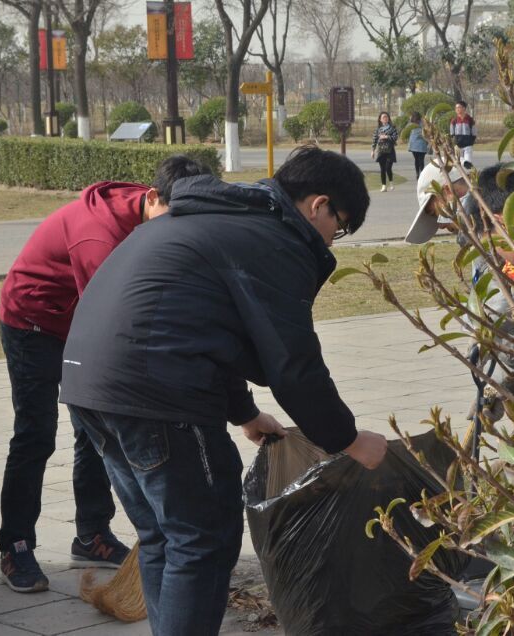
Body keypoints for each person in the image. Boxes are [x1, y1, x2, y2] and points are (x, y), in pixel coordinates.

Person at [59, 145, 389, 636]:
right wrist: (349, 440)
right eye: (338, 228)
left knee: (163, 537)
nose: (331, 241)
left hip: (88, 384)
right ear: (319, 205)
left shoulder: (219, 217)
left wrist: (245, 413)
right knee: (202, 539)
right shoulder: (274, 239)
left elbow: (209, 326)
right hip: (157, 392)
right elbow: (293, 363)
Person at [0, 156, 212, 594]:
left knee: (95, 427)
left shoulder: (153, 211)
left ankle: (91, 535)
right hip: (33, 323)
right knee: (36, 434)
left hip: (79, 317)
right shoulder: (100, 237)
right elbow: (115, 318)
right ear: (152, 197)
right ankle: (15, 546)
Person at [405, 159, 514, 418]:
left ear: (447, 191)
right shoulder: (498, 244)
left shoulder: (495, 239)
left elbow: (513, 301)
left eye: (436, 213)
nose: (443, 226)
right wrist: (498, 389)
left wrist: (483, 335)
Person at [371, 111, 399, 192]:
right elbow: (374, 140)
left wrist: (386, 137)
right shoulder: (378, 129)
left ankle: (391, 182)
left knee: (388, 168)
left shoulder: (392, 128)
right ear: (380, 119)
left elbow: (395, 137)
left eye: (386, 117)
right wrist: (372, 151)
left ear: (388, 118)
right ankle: (383, 186)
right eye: (383, 117)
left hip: (390, 151)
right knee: (382, 169)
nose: (385, 118)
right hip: (381, 151)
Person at [449, 101, 477, 168]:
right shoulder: (454, 120)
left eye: (459, 107)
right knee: (459, 164)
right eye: (456, 108)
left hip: (468, 145)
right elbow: (452, 134)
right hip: (458, 146)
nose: (457, 109)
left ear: (464, 108)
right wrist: (454, 143)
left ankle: (468, 172)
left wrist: (471, 141)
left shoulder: (470, 120)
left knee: (468, 162)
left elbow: (474, 133)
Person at [407, 112, 430, 178]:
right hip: (414, 144)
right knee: (418, 160)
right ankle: (419, 174)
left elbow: (427, 130)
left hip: (421, 144)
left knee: (419, 160)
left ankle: (420, 174)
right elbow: (407, 130)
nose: (416, 121)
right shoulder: (411, 123)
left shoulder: (423, 122)